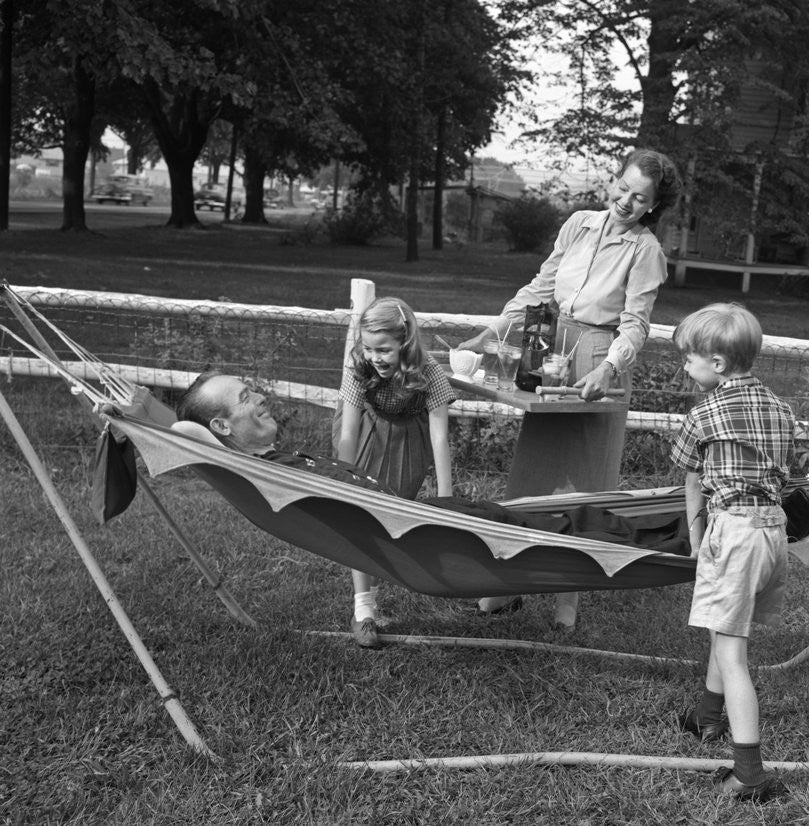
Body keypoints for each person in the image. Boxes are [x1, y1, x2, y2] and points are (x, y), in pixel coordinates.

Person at [175, 372, 691, 629]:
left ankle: (670, 528)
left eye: (250, 389)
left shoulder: (270, 458)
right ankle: (680, 537)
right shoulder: (264, 473)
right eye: (245, 398)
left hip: (427, 518)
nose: (259, 396)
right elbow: (184, 430)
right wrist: (140, 414)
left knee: (557, 522)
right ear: (221, 427)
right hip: (425, 534)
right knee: (561, 531)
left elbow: (191, 430)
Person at [459, 147, 681, 630]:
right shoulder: (578, 223)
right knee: (534, 474)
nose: (625, 201)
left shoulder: (646, 252)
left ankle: (567, 603)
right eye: (622, 188)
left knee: (586, 486)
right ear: (613, 181)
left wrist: (609, 369)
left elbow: (636, 325)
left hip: (599, 363)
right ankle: (506, 585)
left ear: (652, 206)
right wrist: (494, 332)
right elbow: (541, 287)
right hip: (552, 346)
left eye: (639, 198)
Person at [669, 302, 794, 803]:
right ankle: (706, 718)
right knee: (730, 627)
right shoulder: (781, 408)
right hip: (773, 533)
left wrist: (698, 538)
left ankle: (749, 773)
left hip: (735, 533)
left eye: (689, 358)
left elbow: (689, 473)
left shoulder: (704, 413)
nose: (684, 365)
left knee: (732, 652)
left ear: (717, 363)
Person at [330, 296, 457, 648]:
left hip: (406, 438)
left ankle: (385, 574)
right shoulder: (359, 364)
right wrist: (347, 476)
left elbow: (440, 434)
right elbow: (349, 433)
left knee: (391, 516)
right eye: (369, 348)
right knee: (360, 515)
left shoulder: (428, 371)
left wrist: (447, 500)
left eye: (383, 349)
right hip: (367, 433)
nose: (375, 357)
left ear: (405, 341)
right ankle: (363, 609)